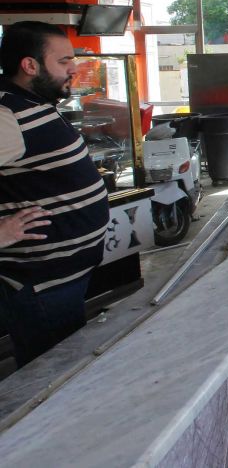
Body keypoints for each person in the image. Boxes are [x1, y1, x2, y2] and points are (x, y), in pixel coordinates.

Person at [0, 21, 110, 368]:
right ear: (29, 65)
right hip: (40, 287)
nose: (73, 69)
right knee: (51, 382)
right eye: (63, 61)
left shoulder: (33, 104)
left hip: (62, 280)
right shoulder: (7, 116)